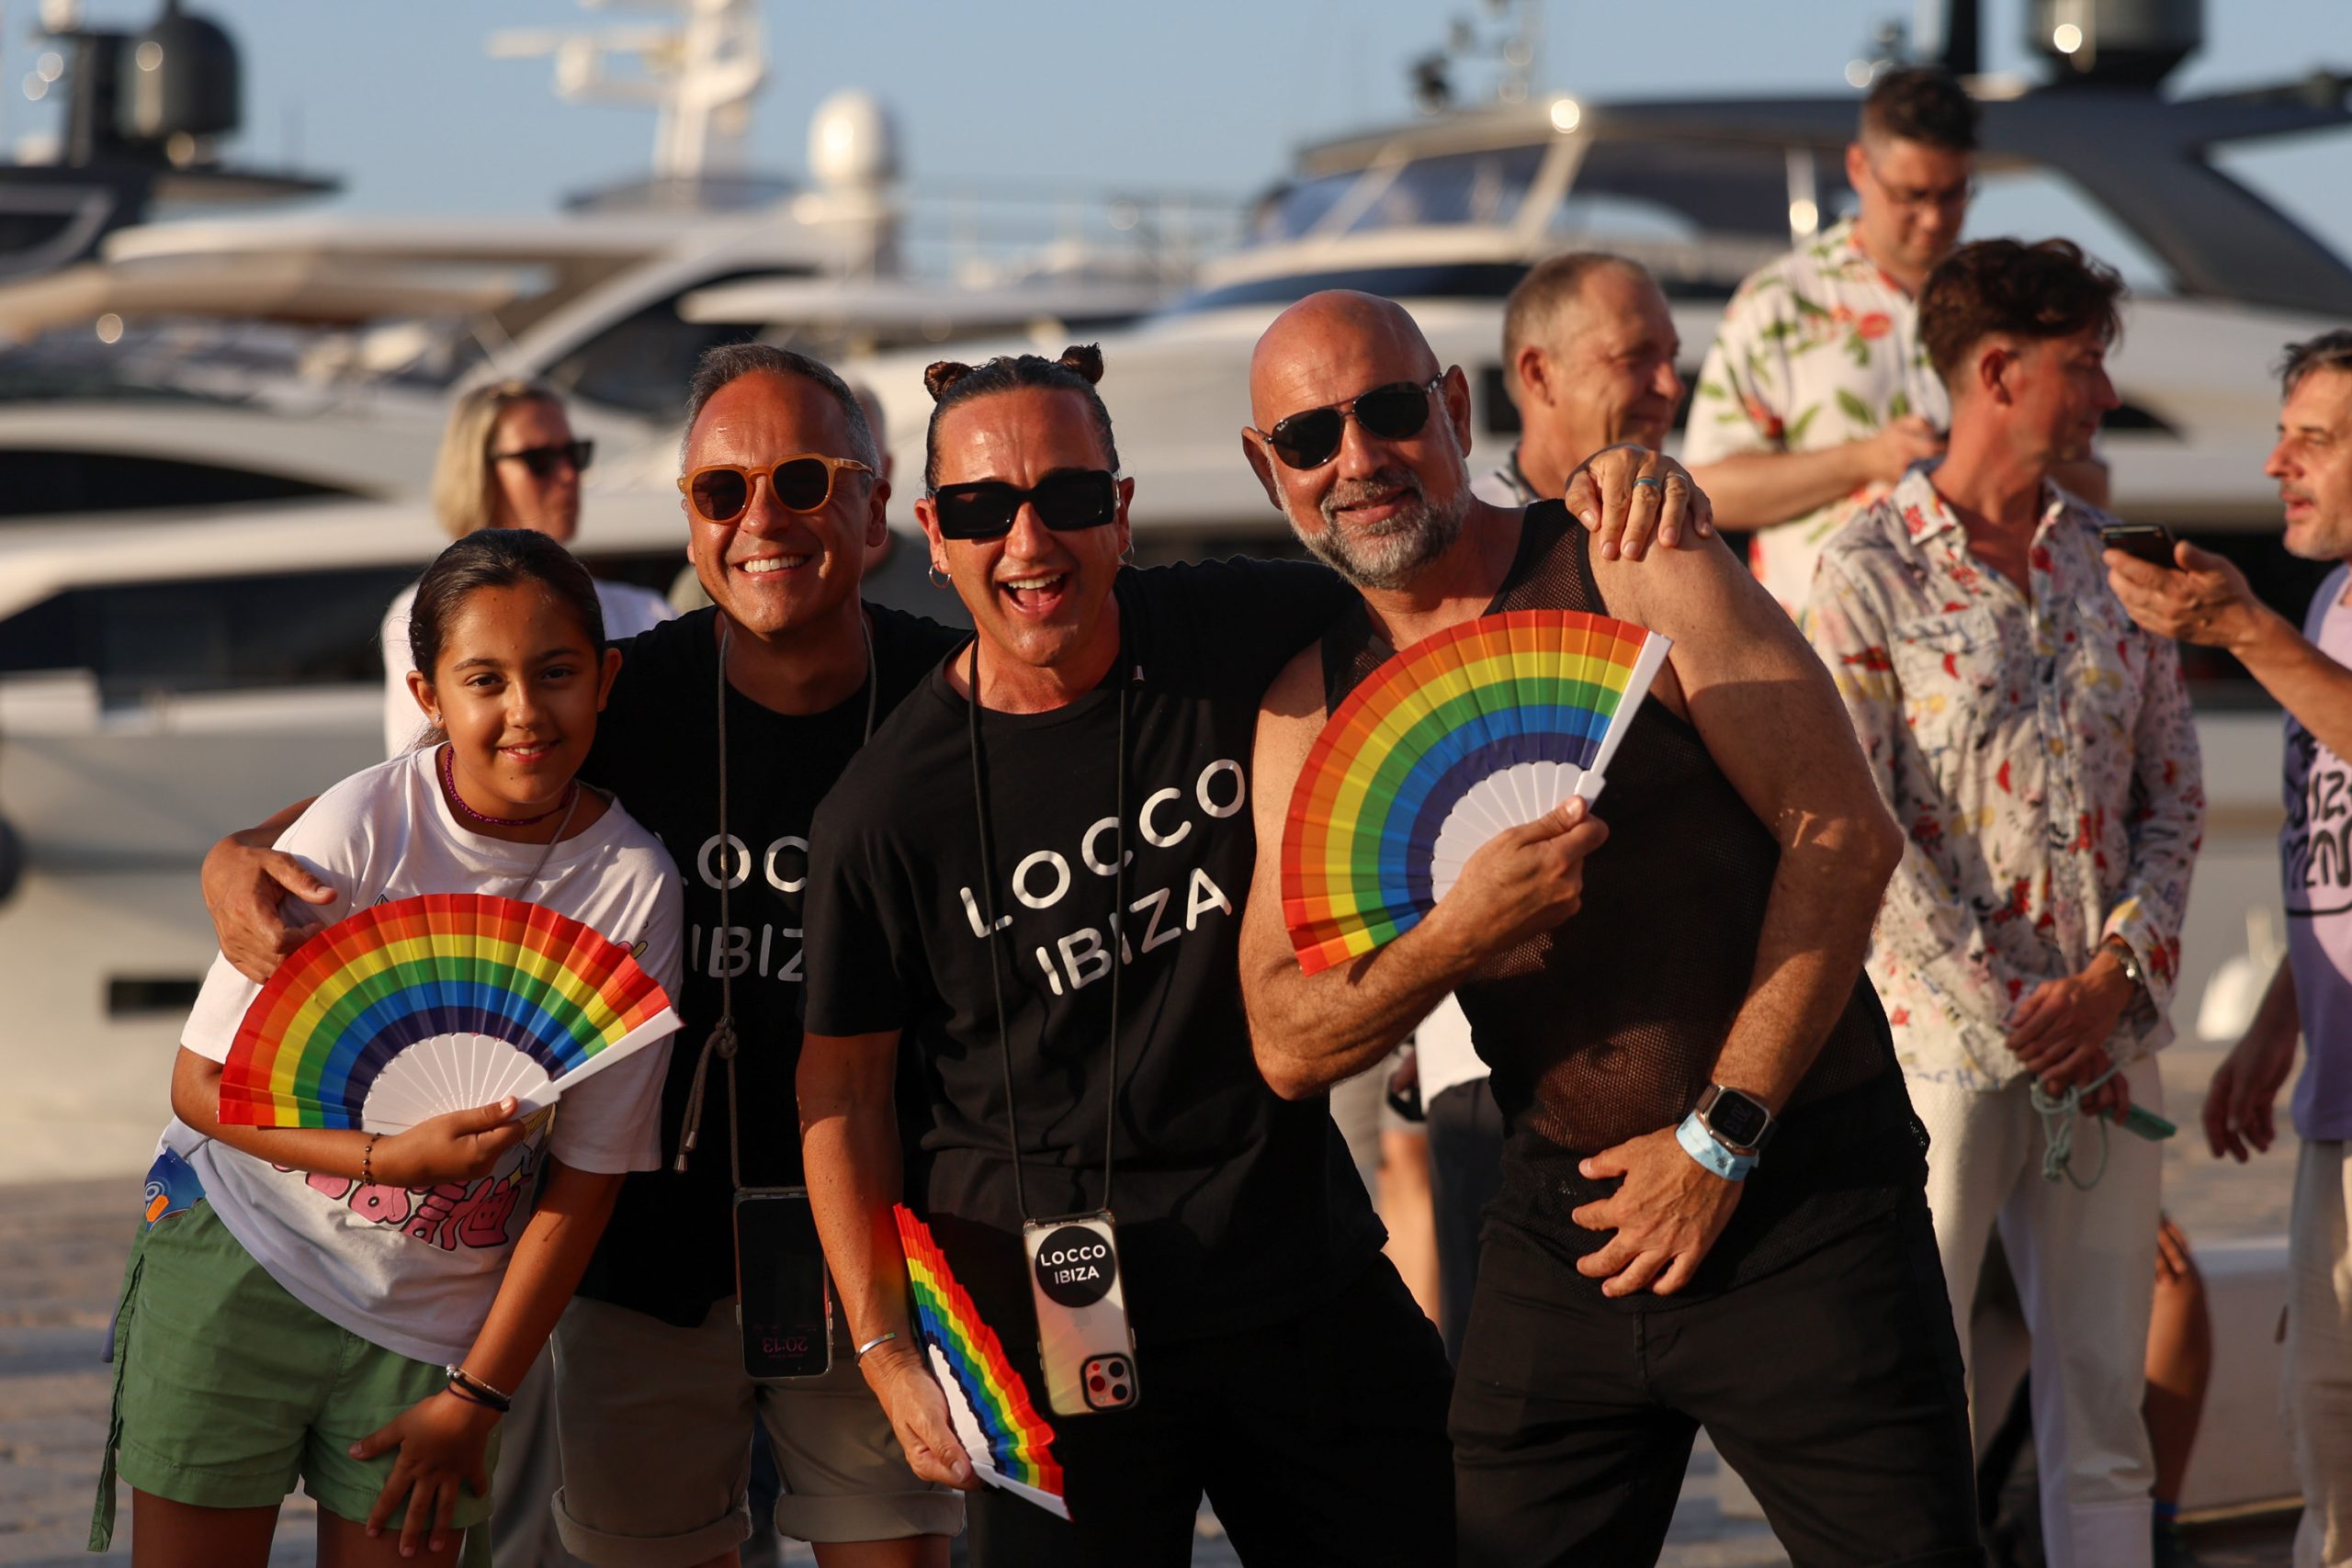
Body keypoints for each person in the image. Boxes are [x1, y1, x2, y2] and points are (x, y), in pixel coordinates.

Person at [795, 343, 1702, 1567]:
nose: (1029, 542)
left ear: (1118, 510)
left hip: (1295, 1272)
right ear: (932, 531)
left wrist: (1609, 487)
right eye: (981, 510)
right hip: (1049, 1309)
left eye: (1066, 498)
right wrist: (888, 1348)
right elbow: (842, 1099)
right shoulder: (882, 811)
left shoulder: (1238, 626)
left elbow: (1427, 550)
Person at [1237, 289, 1978, 1568]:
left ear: (1456, 406)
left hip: (1800, 1194)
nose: (1355, 458)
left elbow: (1844, 834)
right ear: (1269, 470)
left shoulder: (1630, 558)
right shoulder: (1309, 705)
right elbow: (1289, 1043)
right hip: (1563, 1224)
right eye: (1309, 436)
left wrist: (1722, 1135)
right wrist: (1453, 938)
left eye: (1391, 410)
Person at [200, 344, 967, 1568]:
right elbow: (433, 791)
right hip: (639, 1258)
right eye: (723, 491)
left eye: (806, 479)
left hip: (869, 1241)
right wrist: (236, 851)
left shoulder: (949, 699)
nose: (761, 518)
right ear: (690, 518)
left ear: (874, 503)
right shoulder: (630, 691)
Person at [94, 529, 682, 1567]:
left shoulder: (634, 885)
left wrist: (479, 1397)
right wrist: (384, 1163)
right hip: (243, 1260)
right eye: (483, 680)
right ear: (426, 695)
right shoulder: (363, 821)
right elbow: (198, 1086)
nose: (524, 713)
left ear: (608, 677)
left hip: (432, 1336)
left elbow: (587, 1181)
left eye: (556, 673)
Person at [1805, 238, 2204, 1568]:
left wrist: (2112, 985)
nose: (2100, 393)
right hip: (1938, 1052)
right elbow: (1859, 818)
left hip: (2105, 1044)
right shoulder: (1865, 567)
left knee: (2102, 1412)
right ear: (1997, 370)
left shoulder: (2121, 567)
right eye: (2082, 364)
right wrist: (2014, 1008)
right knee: (1922, 1409)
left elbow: (2176, 800)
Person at [2107, 327, 2352, 1568]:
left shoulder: (2291, 621)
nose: (2276, 463)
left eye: (2314, 438)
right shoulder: (2329, 601)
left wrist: (2243, 631)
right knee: (2332, 1452)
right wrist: (2280, 1021)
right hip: (2336, 1102)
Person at [1682, 67, 1973, 614]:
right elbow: (1710, 488)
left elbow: (2088, 481)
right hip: (1823, 664)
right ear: (1859, 167)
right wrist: (1866, 460)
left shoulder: (2002, 301)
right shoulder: (1779, 301)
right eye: (1911, 195)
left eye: (1953, 194)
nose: (1934, 219)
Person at [388, 380, 673, 756]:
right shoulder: (420, 614)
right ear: (477, 472)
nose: (570, 476)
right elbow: (424, 766)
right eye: (539, 460)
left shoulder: (647, 611)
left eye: (575, 454)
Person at [1477, 250, 1683, 516]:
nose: (1672, 386)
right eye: (1633, 356)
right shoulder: (1464, 542)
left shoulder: (1687, 520)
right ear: (1539, 374)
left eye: (1672, 357)